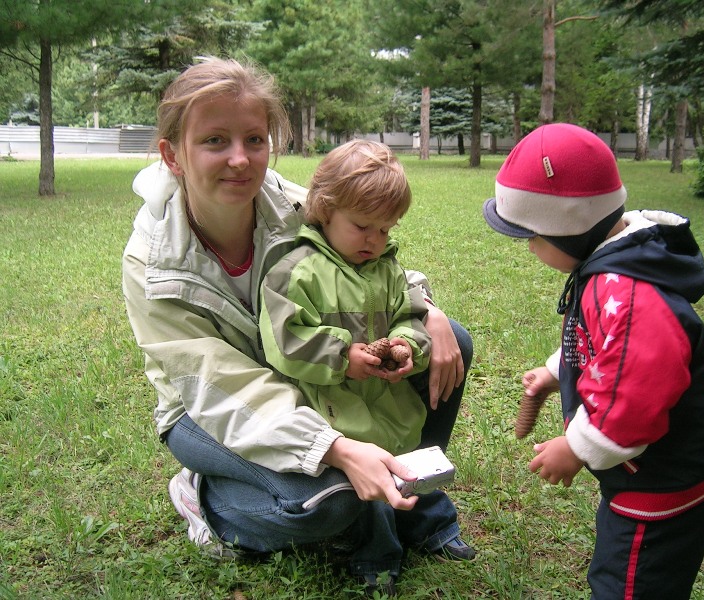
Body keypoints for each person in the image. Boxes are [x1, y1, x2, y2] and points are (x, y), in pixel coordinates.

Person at [121, 57, 474, 597]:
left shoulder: (292, 206)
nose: (240, 159)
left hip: (303, 374)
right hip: (203, 408)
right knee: (328, 502)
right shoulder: (153, 263)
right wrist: (332, 445)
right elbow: (220, 384)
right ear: (173, 154)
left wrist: (429, 311)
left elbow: (367, 266)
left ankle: (405, 493)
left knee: (453, 346)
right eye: (215, 140)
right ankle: (209, 501)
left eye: (255, 139)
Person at [482, 123, 704, 599]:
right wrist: (559, 370)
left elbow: (635, 392)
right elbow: (605, 343)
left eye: (532, 236)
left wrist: (578, 447)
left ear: (572, 228)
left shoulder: (629, 292)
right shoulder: (611, 261)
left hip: (669, 473)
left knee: (630, 581)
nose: (530, 247)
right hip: (645, 469)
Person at [260, 139, 431, 455]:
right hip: (328, 417)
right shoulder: (297, 272)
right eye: (362, 225)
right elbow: (285, 341)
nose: (374, 239)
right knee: (347, 499)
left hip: (390, 411)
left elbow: (410, 315)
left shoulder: (388, 270)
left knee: (408, 488)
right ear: (325, 210)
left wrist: (406, 343)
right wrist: (340, 357)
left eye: (385, 230)